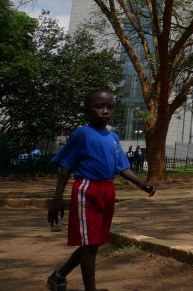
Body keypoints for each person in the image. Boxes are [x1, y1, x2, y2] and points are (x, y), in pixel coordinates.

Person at [46, 89, 156, 291]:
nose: (105, 111)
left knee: (93, 242)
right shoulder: (81, 134)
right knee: (89, 243)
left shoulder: (113, 137)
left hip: (107, 190)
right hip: (87, 189)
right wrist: (57, 198)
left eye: (110, 107)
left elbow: (121, 167)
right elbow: (65, 167)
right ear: (87, 110)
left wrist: (141, 183)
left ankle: (58, 277)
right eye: (99, 106)